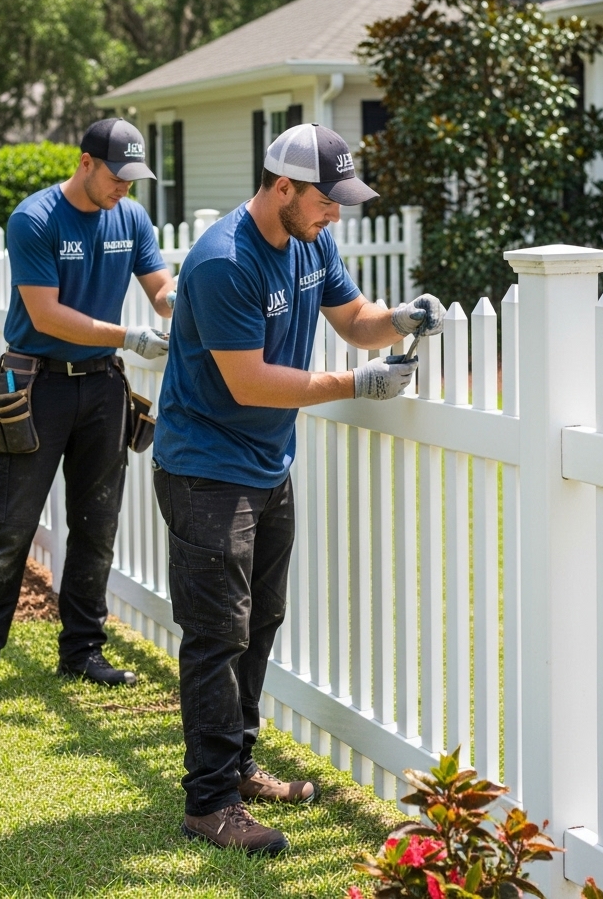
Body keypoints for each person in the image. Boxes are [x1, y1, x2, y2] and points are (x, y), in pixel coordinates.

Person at [152, 123, 446, 855]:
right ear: (281, 186)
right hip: (204, 468)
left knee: (258, 622)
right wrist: (356, 384)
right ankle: (209, 805)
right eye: (325, 199)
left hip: (264, 465)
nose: (336, 213)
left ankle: (241, 767)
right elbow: (248, 380)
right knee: (217, 634)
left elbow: (355, 321)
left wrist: (401, 318)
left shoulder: (311, 241)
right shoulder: (223, 261)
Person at [0, 118, 176, 702]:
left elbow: (162, 293)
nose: (125, 187)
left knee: (96, 527)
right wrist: (127, 336)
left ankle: (82, 651)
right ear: (85, 163)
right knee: (11, 526)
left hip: (102, 389)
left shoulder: (132, 218)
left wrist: (194, 295)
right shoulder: (35, 219)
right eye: (118, 176)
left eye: (134, 177)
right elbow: (45, 315)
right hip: (37, 386)